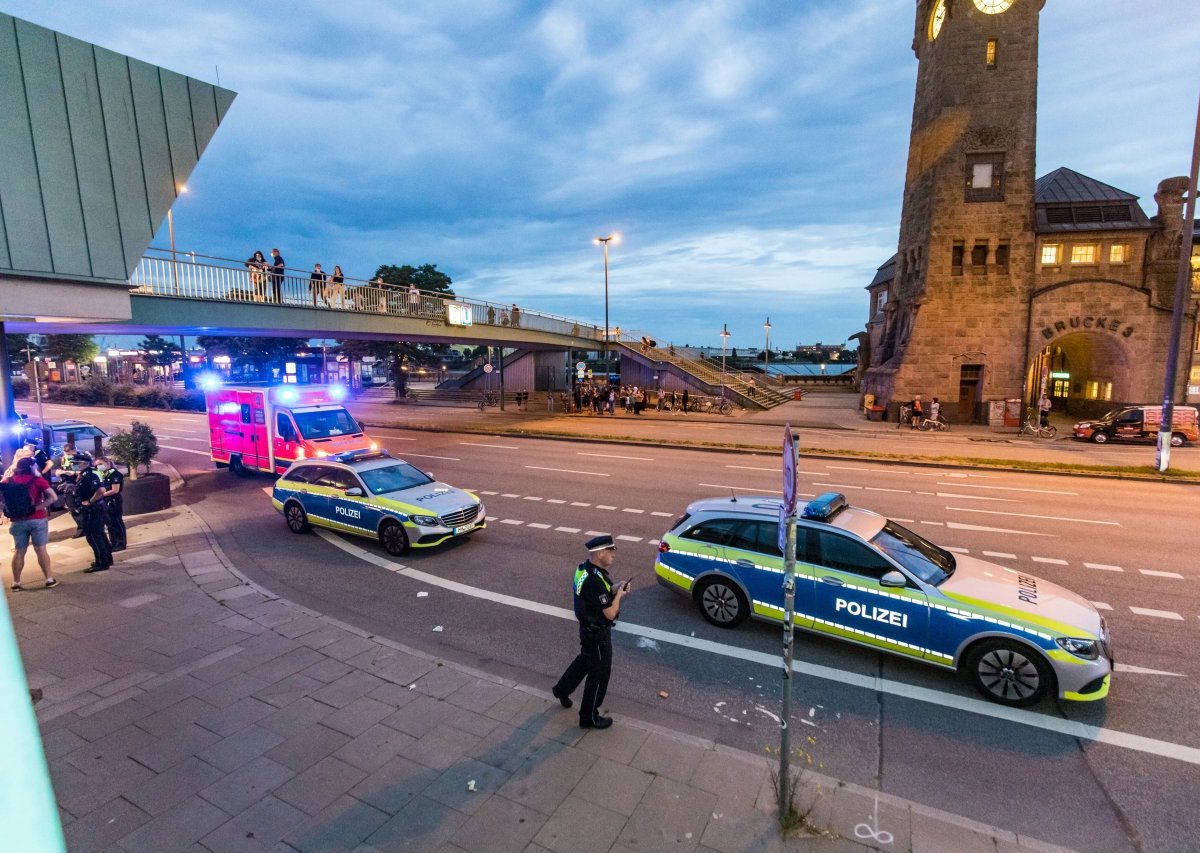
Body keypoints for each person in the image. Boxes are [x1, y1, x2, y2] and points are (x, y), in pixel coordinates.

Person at [552, 534, 630, 729]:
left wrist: (613, 589)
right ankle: (589, 716)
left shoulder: (584, 569)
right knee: (599, 675)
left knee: (583, 662)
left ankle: (562, 689)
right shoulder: (595, 580)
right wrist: (619, 596)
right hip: (598, 635)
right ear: (600, 552)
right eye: (611, 551)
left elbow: (594, 595)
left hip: (587, 629)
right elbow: (611, 613)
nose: (614, 555)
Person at [1, 456, 58, 591]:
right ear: (32, 467)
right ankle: (49, 579)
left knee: (20, 551)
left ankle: (16, 582)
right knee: (41, 549)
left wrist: (7, 509)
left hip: (17, 520)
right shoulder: (38, 480)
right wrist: (38, 507)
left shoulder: (7, 480)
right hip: (37, 519)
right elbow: (53, 497)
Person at [72, 454, 112, 573]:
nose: (73, 465)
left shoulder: (90, 475)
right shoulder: (87, 473)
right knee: (99, 534)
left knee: (93, 536)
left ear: (84, 463)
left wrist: (90, 501)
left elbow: (101, 490)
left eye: (76, 463)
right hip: (95, 508)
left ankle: (101, 562)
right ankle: (106, 559)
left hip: (93, 509)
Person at [98, 455, 126, 552]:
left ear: (107, 463)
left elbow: (115, 490)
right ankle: (113, 543)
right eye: (97, 465)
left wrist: (100, 495)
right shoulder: (103, 474)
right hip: (105, 501)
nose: (98, 467)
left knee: (116, 522)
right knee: (109, 523)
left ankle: (120, 543)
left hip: (114, 501)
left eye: (100, 464)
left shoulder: (115, 474)